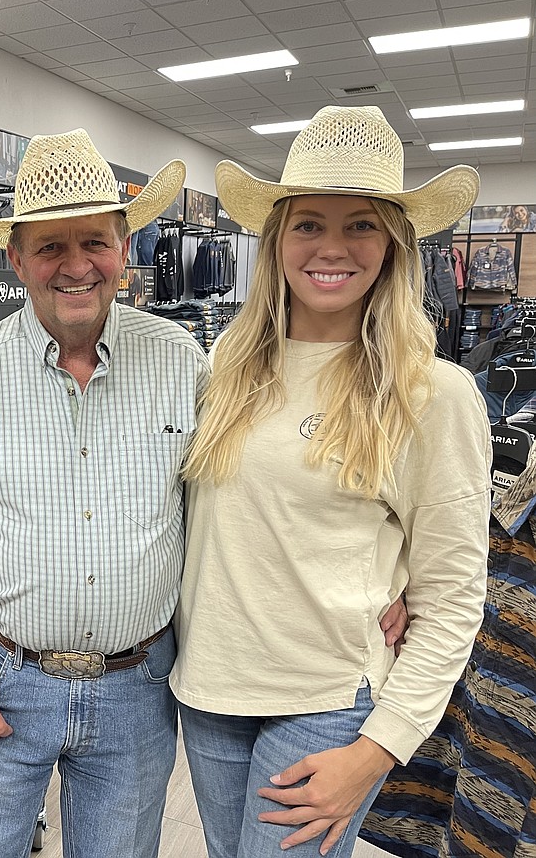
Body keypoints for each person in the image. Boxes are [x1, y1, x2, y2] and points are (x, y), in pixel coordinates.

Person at [172, 105, 490, 858]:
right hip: (212, 687)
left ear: (394, 245)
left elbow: (455, 598)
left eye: (362, 225)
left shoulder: (433, 393)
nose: (332, 247)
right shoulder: (227, 367)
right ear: (276, 237)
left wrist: (378, 748)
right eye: (309, 223)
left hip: (325, 700)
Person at [0, 129, 197, 857]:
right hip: (0, 681)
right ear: (16, 258)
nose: (75, 266)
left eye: (93, 241)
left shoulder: (184, 363)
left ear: (124, 248)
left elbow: (242, 506)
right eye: (50, 246)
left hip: (137, 687)